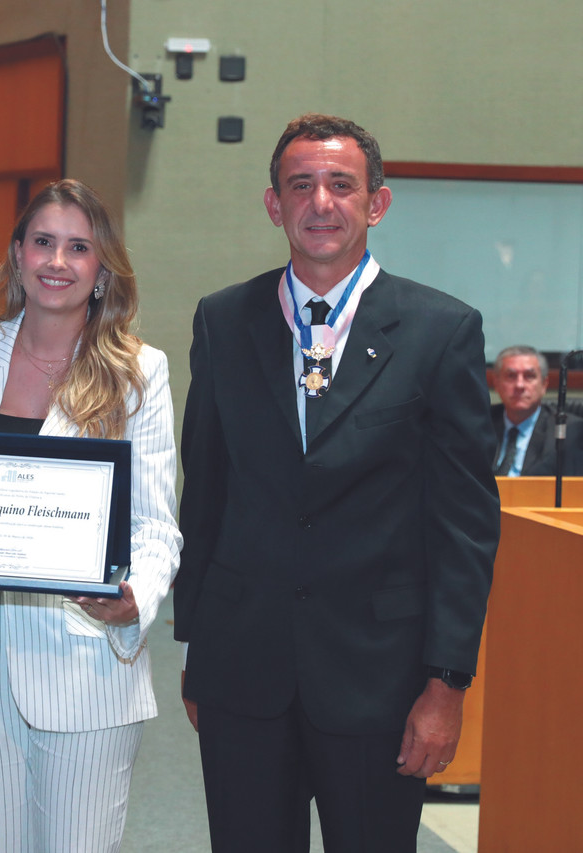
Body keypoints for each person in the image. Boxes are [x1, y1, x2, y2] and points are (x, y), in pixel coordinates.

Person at [175, 114, 500, 851]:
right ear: (274, 204)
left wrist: (446, 682)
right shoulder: (223, 320)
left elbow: (464, 523)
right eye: (301, 185)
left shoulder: (439, 330)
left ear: (376, 203)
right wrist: (196, 642)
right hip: (242, 666)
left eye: (341, 185)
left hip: (381, 679)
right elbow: (208, 488)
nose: (321, 202)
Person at [0, 179, 182, 852]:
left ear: (101, 268)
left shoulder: (138, 373)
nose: (56, 261)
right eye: (42, 242)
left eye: (77, 247)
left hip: (84, 658)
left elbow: (155, 522)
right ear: (17, 254)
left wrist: (134, 596)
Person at [490, 344, 583, 476]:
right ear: (497, 383)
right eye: (511, 376)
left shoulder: (569, 433)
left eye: (529, 376)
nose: (519, 385)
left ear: (544, 385)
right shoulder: (479, 424)